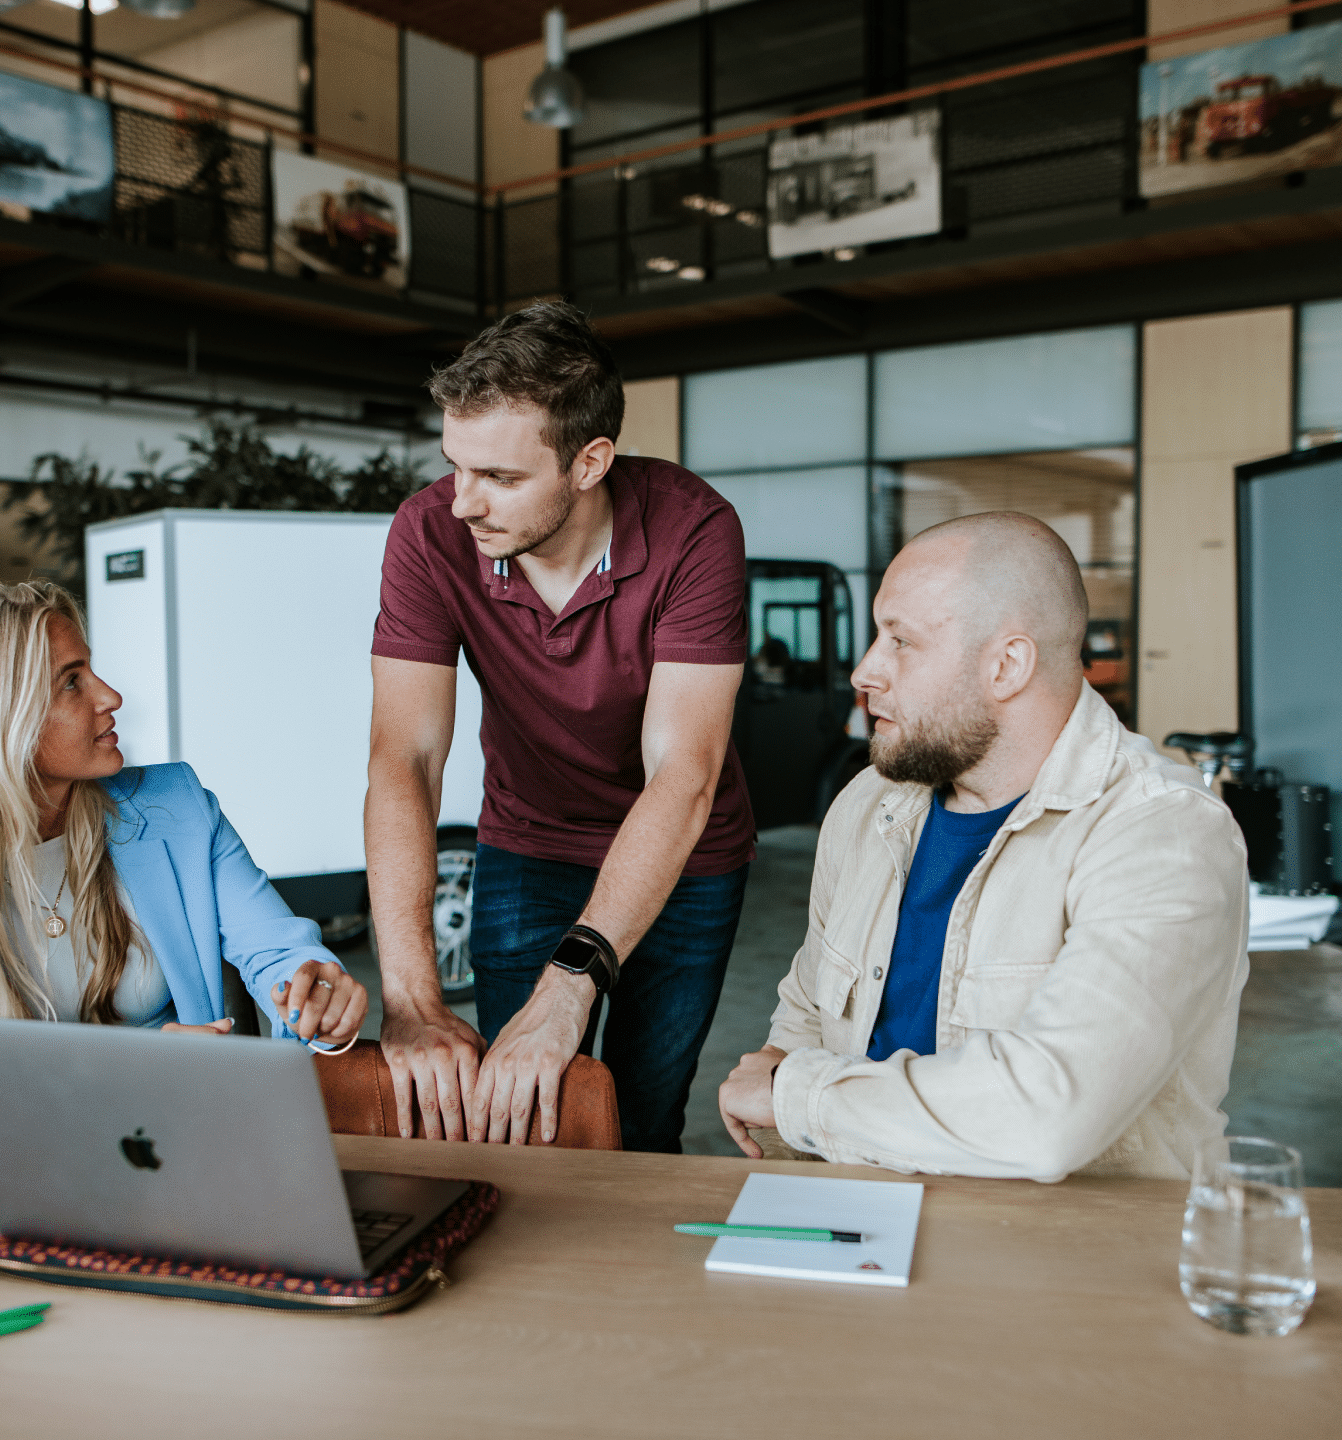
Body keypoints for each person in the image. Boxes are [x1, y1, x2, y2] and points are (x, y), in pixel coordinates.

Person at [716, 513, 1248, 1180]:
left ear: (1007, 665)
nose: (865, 671)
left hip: (1082, 1264)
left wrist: (797, 1097)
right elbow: (807, 1010)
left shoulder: (1163, 835)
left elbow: (1049, 1115)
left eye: (901, 642)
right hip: (866, 1222)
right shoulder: (866, 806)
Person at [366, 301, 754, 1152]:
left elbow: (682, 772)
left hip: (685, 859)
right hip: (531, 844)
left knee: (642, 1118)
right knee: (524, 1122)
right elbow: (408, 758)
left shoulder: (695, 531)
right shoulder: (431, 531)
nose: (464, 502)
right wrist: (411, 996)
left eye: (500, 478)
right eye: (455, 467)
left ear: (590, 462)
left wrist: (572, 979)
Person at [0, 581, 366, 1096]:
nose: (109, 696)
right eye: (71, 681)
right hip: (22, 1163)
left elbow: (276, 950)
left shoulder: (175, 805)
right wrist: (128, 1074)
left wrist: (313, 997)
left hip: (194, 1132)